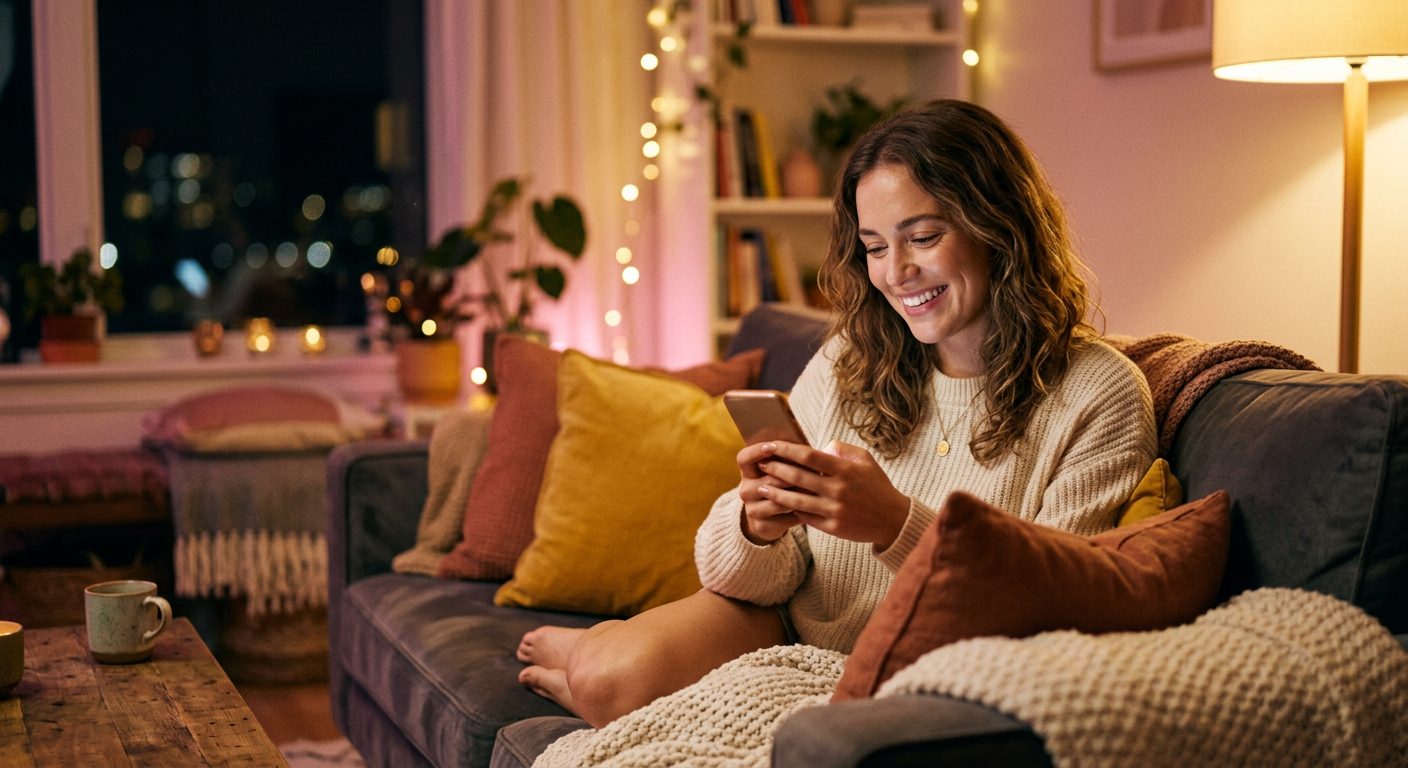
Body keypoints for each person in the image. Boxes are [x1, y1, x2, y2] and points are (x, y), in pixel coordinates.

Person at [515, 99, 1157, 728]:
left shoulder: (1100, 395)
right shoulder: (853, 358)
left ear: (1001, 226)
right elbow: (751, 579)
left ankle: (591, 675)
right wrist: (755, 524)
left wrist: (896, 526)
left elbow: (1052, 610)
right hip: (790, 624)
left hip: (935, 666)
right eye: (875, 247)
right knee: (607, 674)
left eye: (924, 237)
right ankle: (593, 664)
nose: (897, 273)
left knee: (604, 684)